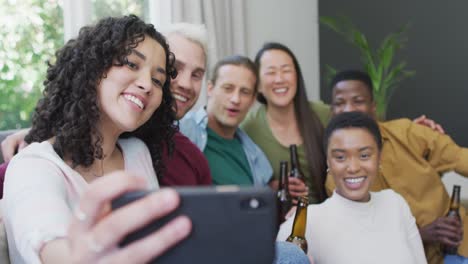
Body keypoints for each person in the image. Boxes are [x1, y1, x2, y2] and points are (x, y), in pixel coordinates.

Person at [2, 15, 191, 263]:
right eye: (131, 64)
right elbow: (48, 246)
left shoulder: (137, 153)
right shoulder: (32, 166)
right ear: (92, 69)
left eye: (158, 80)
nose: (147, 85)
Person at [0, 23, 213, 187]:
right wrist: (40, 134)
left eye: (197, 75)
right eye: (174, 68)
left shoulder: (191, 158)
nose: (185, 83)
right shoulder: (46, 157)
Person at [325, 70, 468, 264]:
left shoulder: (407, 131)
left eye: (358, 101)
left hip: (459, 244)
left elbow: (459, 157)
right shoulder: (336, 179)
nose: (349, 109)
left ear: (373, 106)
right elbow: (362, 238)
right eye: (340, 103)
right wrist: (420, 234)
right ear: (331, 110)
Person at [277, 111, 427, 264]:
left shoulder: (395, 204)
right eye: (340, 157)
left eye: (364, 155)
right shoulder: (308, 222)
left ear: (379, 157)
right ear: (328, 161)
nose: (353, 167)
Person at [241, 42, 328, 203]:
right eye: (271, 72)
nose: (279, 79)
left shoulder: (324, 115)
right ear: (258, 85)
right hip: (276, 223)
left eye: (286, 71)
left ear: (297, 77)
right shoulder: (247, 129)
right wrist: (273, 187)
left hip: (325, 219)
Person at [179, 55, 278, 188]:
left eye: (245, 92)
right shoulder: (180, 130)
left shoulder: (254, 153)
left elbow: (265, 198)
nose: (236, 99)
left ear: (253, 99)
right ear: (210, 88)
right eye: (228, 88)